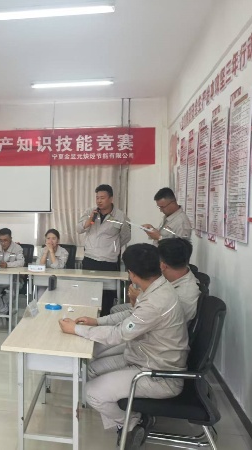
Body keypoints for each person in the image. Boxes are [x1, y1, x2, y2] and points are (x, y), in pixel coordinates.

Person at [58, 244, 189, 446]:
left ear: (132, 273)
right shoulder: (158, 287)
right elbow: (131, 314)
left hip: (160, 375)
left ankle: (132, 421)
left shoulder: (156, 302)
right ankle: (124, 421)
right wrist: (97, 321)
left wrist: (76, 329)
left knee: (92, 393)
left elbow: (118, 335)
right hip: (142, 357)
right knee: (92, 369)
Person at [110, 238, 201, 323]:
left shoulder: (185, 294)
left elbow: (156, 318)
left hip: (156, 324)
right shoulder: (179, 272)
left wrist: (138, 299)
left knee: (115, 319)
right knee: (115, 310)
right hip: (149, 310)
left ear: (163, 265)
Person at [77, 184, 131, 315]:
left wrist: (112, 247)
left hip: (109, 262)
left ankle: (105, 320)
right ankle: (88, 318)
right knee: (88, 293)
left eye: (102, 198)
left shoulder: (120, 216)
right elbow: (79, 229)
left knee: (107, 296)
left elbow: (125, 237)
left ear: (111, 199)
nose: (99, 201)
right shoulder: (90, 212)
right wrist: (89, 220)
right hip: (90, 259)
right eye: (97, 198)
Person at [0, 228, 25, 316]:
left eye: (5, 240)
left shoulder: (17, 248)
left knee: (11, 293)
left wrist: (7, 265)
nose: (3, 243)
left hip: (14, 279)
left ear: (11, 238)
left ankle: (1, 309)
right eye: (1, 240)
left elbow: (21, 262)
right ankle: (5, 311)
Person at [35, 228, 69, 299]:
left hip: (59, 280)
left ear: (58, 241)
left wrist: (51, 251)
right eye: (48, 238)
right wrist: (45, 253)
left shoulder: (64, 252)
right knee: (40, 295)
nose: (50, 241)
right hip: (44, 279)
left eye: (53, 238)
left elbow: (58, 267)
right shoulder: (42, 250)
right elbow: (39, 267)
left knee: (57, 297)